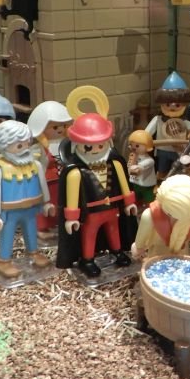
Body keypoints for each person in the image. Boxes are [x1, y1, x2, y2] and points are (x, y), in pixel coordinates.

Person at [56, 112, 137, 277]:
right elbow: (72, 197)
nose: (95, 150)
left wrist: (129, 202)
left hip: (112, 209)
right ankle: (87, 259)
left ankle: (117, 251)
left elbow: (124, 184)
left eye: (101, 145)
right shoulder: (75, 172)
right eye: (88, 146)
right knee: (89, 234)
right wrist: (71, 218)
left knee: (114, 230)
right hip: (91, 214)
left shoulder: (115, 164)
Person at [0, 120, 53, 278]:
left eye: (27, 144)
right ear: (3, 145)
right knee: (7, 234)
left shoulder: (35, 165)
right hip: (9, 212)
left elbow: (42, 184)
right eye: (19, 145)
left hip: (31, 208)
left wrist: (47, 202)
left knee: (31, 230)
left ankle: (33, 252)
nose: (25, 149)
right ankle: (3, 261)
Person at [131, 174, 190, 263]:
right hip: (157, 255)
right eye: (170, 213)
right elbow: (139, 246)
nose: (176, 218)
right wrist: (138, 248)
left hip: (182, 255)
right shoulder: (149, 215)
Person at [27, 100, 73, 238]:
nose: (60, 130)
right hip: (47, 180)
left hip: (64, 178)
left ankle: (56, 223)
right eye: (55, 127)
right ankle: (42, 227)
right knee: (46, 203)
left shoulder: (67, 143)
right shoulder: (39, 148)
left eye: (63, 125)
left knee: (61, 202)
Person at [145, 72, 190, 180]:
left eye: (177, 104)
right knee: (162, 170)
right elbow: (146, 133)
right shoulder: (158, 120)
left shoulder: (186, 121)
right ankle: (160, 183)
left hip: (179, 150)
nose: (172, 106)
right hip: (162, 150)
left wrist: (187, 139)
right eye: (167, 104)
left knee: (179, 171)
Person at [127, 129, 156, 213]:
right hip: (135, 183)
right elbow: (129, 169)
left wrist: (132, 164)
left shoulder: (149, 161)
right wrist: (132, 160)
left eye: (137, 146)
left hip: (146, 185)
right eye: (131, 145)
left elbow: (136, 170)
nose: (133, 148)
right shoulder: (133, 156)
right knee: (135, 198)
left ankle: (150, 211)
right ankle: (137, 210)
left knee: (149, 200)